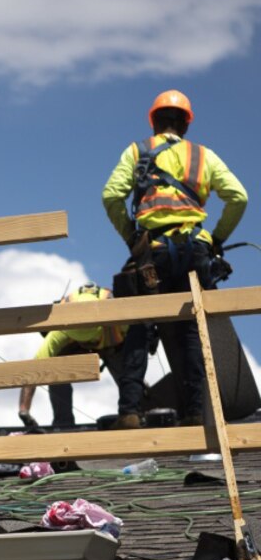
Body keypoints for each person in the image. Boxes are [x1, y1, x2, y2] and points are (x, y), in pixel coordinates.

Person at [102, 90, 247, 428]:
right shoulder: (203, 155)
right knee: (192, 332)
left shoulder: (137, 151)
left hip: (151, 253)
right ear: (186, 123)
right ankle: (197, 411)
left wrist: (130, 237)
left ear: (154, 122)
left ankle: (130, 412)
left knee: (141, 327)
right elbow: (239, 197)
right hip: (194, 251)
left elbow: (111, 196)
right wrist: (217, 239)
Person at [17, 283, 128, 428]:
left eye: (90, 342)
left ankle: (133, 412)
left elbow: (137, 350)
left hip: (111, 342)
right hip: (96, 335)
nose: (88, 347)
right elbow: (34, 369)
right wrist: (24, 410)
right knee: (55, 367)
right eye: (82, 342)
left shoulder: (119, 322)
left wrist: (134, 380)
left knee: (124, 370)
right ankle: (63, 423)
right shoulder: (61, 331)